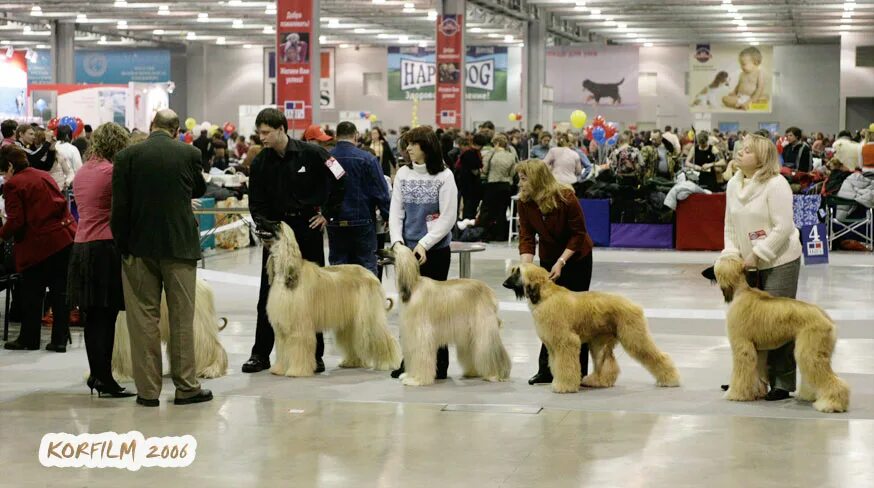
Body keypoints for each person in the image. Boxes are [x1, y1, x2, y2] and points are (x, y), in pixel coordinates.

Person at [111, 109, 212, 407]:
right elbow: (200, 188)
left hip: (139, 248)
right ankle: (186, 387)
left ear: (151, 125)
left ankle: (148, 392)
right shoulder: (189, 153)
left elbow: (118, 209)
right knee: (182, 318)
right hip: (179, 246)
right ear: (176, 129)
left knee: (143, 319)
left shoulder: (126, 157)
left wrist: (123, 245)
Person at [242, 108, 345, 374]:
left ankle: (315, 355)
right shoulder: (260, 162)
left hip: (308, 228)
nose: (261, 137)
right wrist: (264, 229)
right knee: (269, 293)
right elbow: (256, 202)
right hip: (277, 235)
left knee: (311, 293)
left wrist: (328, 214)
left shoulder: (313, 153)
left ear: (281, 129)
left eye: (266, 132)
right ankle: (260, 354)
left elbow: (341, 178)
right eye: (259, 132)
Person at [721, 134, 802, 401]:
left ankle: (782, 381)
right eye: (740, 149)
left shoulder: (776, 184)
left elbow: (783, 227)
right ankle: (750, 379)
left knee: (778, 323)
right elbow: (730, 226)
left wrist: (758, 254)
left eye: (747, 151)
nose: (740, 153)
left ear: (762, 158)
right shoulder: (734, 184)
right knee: (749, 325)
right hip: (748, 262)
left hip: (779, 259)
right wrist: (731, 255)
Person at [66, 122, 134, 398]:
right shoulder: (112, 172)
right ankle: (104, 378)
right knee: (106, 317)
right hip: (104, 247)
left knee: (93, 317)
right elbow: (123, 210)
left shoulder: (82, 172)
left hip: (81, 246)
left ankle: (97, 374)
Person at [388, 126, 458, 380]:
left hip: (435, 251)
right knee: (409, 309)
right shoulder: (403, 174)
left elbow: (448, 217)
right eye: (406, 144)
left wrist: (425, 244)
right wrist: (398, 243)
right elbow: (396, 212)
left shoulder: (445, 176)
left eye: (412, 144)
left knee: (434, 311)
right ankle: (410, 359)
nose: (407, 148)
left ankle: (438, 364)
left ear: (426, 147)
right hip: (406, 253)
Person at [515, 159, 593, 385]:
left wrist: (561, 262)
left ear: (538, 179)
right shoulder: (524, 202)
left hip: (576, 256)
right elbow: (526, 236)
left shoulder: (566, 198)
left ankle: (577, 372)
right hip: (548, 256)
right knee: (548, 313)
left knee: (577, 315)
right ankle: (547, 370)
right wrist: (526, 267)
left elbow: (579, 234)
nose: (520, 184)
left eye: (523, 179)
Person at [0, 145, 76, 352]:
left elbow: (16, 221)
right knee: (60, 293)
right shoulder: (43, 175)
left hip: (38, 245)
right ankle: (59, 340)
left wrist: (1, 235)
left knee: (32, 293)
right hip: (64, 239)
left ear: (9, 166)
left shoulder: (14, 185)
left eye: (2, 171)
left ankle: (29, 339)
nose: (3, 177)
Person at [327, 121, 390, 275]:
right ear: (356, 136)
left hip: (335, 222)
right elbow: (381, 192)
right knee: (366, 269)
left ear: (336, 136)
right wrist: (386, 214)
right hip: (363, 222)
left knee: (338, 270)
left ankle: (342, 300)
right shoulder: (367, 159)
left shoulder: (329, 159)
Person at [480, 133, 518, 241]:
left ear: (496, 143)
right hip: (505, 185)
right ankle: (501, 235)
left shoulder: (491, 154)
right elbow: (512, 172)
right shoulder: (511, 155)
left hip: (492, 184)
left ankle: (487, 234)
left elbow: (485, 168)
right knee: (502, 211)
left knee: (489, 211)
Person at [722, 46, 766, 110]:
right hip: (740, 97)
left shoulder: (759, 73)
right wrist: (734, 92)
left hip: (751, 97)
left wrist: (752, 99)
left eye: (743, 64)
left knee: (764, 98)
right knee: (724, 98)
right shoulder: (742, 74)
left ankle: (747, 104)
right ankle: (740, 105)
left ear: (755, 62)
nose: (741, 66)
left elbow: (760, 88)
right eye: (740, 64)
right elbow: (738, 85)